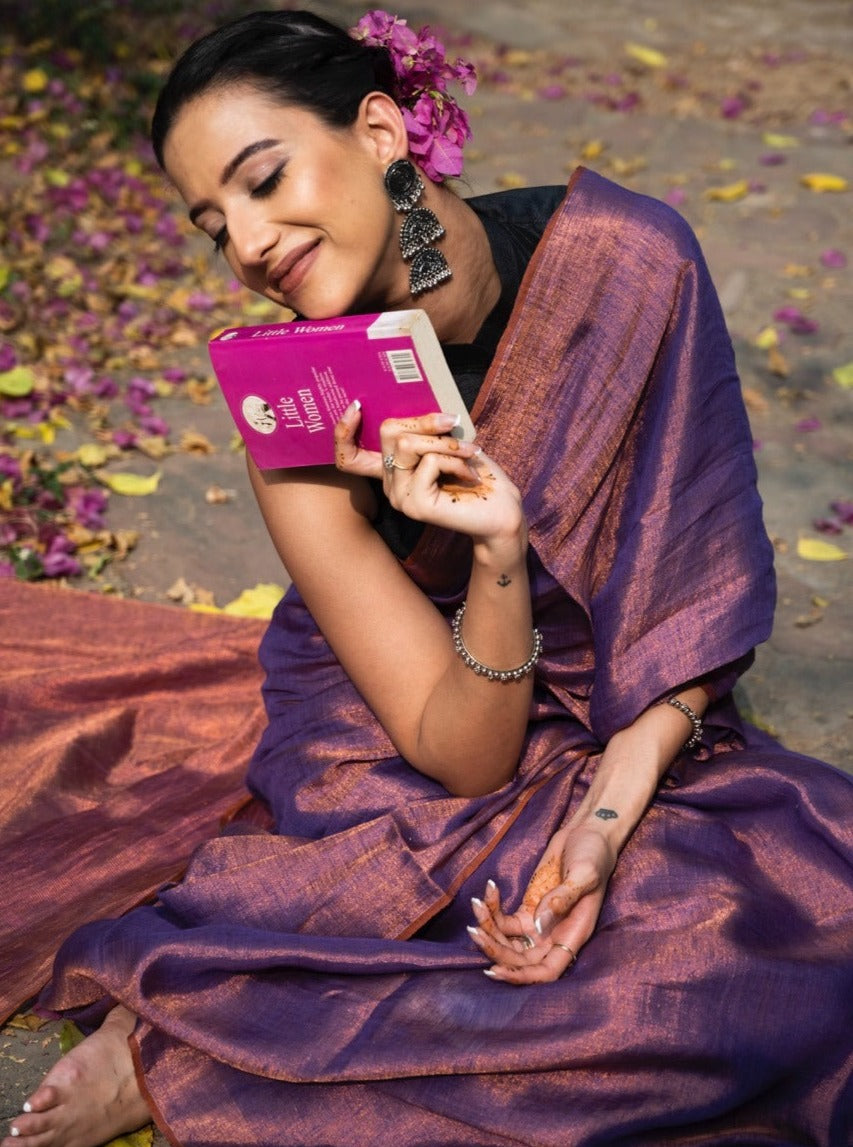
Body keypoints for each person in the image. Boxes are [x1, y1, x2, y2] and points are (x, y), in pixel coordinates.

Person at [3, 8, 852, 1147]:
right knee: (557, 945)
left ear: (378, 131)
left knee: (768, 944)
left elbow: (685, 606)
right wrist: (496, 556)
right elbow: (464, 757)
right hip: (398, 724)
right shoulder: (298, 403)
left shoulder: (627, 267)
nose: (247, 243)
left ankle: (212, 1026)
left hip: (618, 706)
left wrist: (602, 826)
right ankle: (182, 1036)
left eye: (264, 180)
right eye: (214, 227)